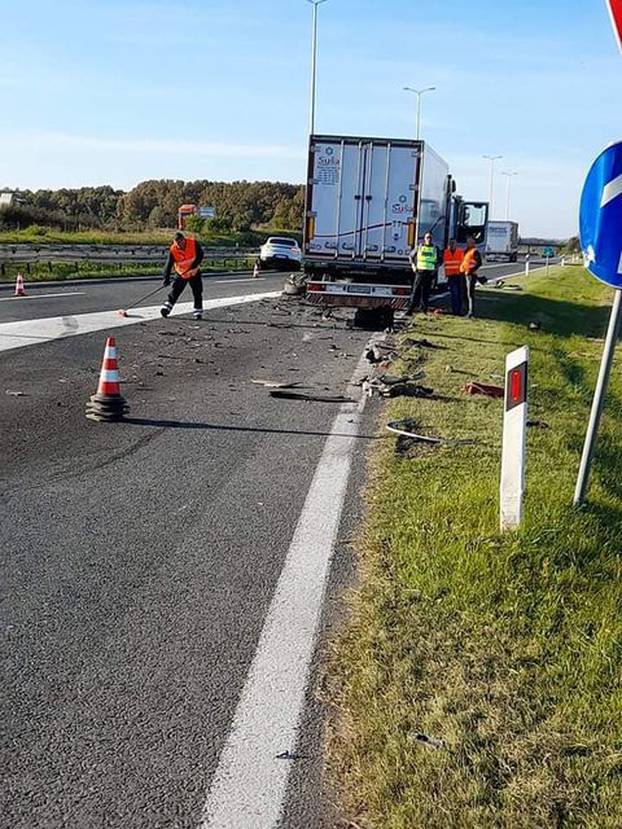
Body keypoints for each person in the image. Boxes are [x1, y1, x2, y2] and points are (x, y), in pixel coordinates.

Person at [160, 231, 205, 320]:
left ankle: (198, 312)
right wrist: (166, 278)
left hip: (193, 272)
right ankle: (167, 308)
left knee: (197, 292)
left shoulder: (193, 243)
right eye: (177, 243)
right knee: (175, 291)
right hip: (181, 273)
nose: (179, 245)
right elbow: (168, 264)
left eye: (180, 242)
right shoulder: (173, 249)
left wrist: (194, 266)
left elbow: (200, 255)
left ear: (184, 240)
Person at [407, 231, 442, 314]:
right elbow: (411, 256)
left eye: (430, 237)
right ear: (424, 239)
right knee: (415, 291)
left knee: (426, 292)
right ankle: (410, 309)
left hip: (429, 273)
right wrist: (413, 266)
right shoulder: (419, 247)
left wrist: (436, 268)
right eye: (427, 237)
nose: (429, 239)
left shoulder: (435, 248)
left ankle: (424, 309)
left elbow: (440, 260)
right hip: (420, 272)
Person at [460, 236, 485, 318]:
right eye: (467, 242)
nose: (468, 243)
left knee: (469, 294)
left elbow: (479, 263)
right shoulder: (466, 251)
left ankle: (471, 312)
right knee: (464, 293)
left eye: (470, 242)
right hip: (464, 274)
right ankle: (466, 310)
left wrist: (470, 270)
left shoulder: (475, 252)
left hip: (471, 275)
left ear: (473, 243)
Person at [443, 239, 465, 315]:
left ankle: (459, 310)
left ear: (456, 244)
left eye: (454, 243)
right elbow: (446, 264)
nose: (452, 245)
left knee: (459, 294)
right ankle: (455, 310)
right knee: (454, 294)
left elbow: (462, 263)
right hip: (451, 276)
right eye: (451, 243)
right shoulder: (446, 252)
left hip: (459, 275)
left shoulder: (460, 252)